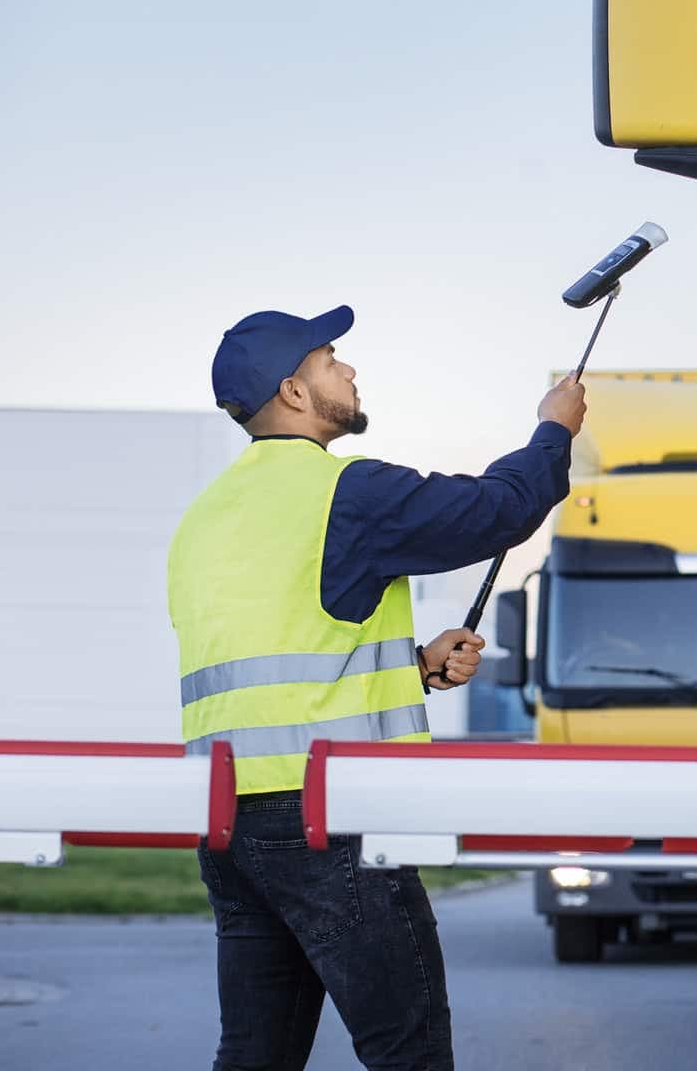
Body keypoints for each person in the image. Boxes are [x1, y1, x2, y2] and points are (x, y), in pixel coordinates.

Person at [168, 304, 587, 1071]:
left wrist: (417, 667)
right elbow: (498, 510)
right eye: (332, 359)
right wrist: (552, 430)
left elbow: (285, 658)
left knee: (256, 1054)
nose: (350, 371)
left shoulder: (206, 518)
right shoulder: (343, 495)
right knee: (411, 1051)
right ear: (295, 392)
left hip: (229, 825)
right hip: (329, 821)